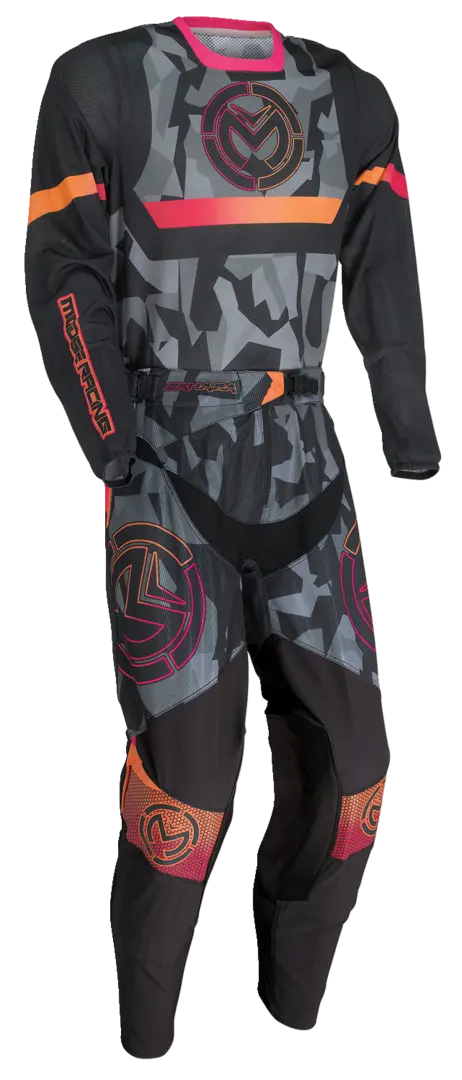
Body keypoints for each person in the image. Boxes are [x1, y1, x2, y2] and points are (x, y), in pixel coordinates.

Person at [25, 16, 439, 1060]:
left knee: (355, 779)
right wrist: (113, 441)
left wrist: (407, 428)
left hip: (305, 461)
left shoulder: (352, 97)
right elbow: (64, 268)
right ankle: (145, 1039)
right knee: (186, 794)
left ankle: (290, 1007)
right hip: (168, 464)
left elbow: (385, 267)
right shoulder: (101, 81)